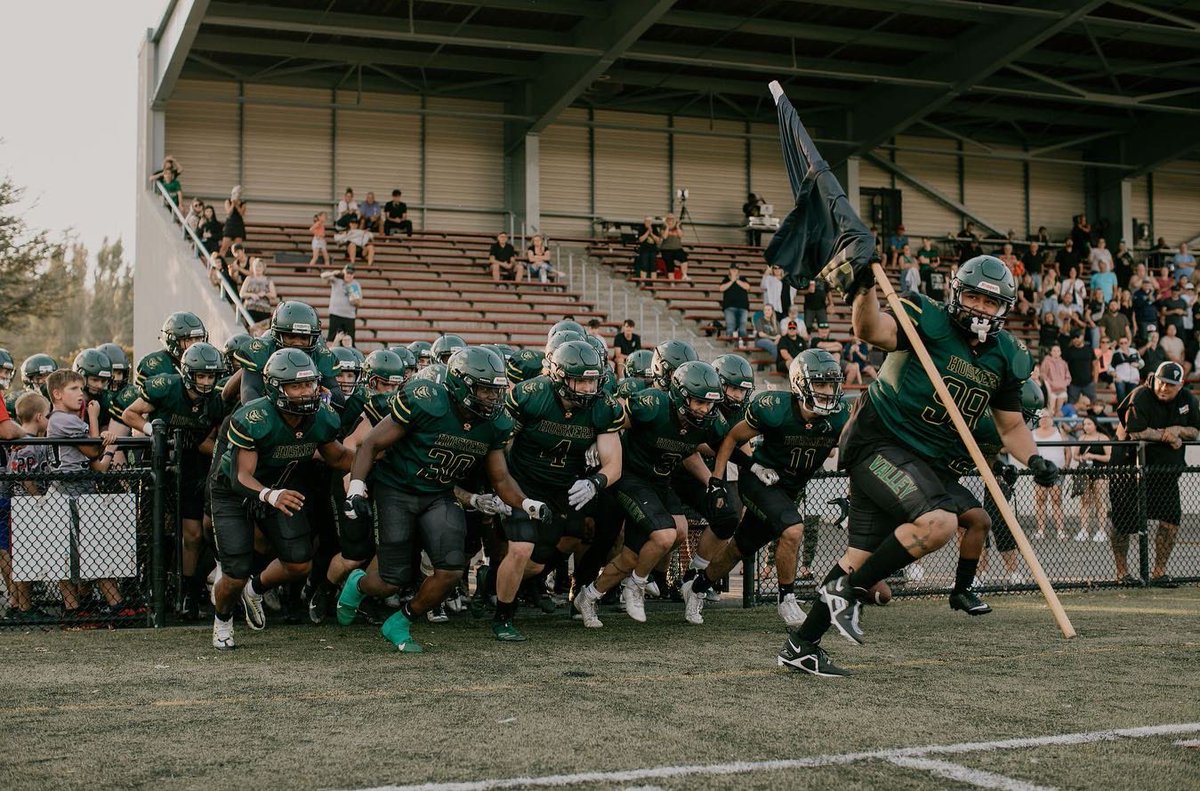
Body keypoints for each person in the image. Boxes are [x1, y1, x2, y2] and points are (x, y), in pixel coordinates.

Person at [780, 255, 1057, 677]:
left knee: (859, 556)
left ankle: (802, 645)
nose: (981, 309)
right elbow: (870, 330)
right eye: (974, 297)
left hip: (926, 462)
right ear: (957, 293)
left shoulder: (1007, 354)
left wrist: (1034, 458)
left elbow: (1012, 425)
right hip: (880, 441)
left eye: (991, 302)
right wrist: (863, 290)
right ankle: (847, 593)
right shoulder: (926, 316)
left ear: (1005, 308)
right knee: (938, 523)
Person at [337, 348, 548, 652]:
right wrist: (356, 488)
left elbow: (501, 478)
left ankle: (401, 620)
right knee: (389, 581)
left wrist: (526, 504)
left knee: (450, 571)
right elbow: (370, 443)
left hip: (439, 494)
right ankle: (358, 583)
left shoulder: (495, 423)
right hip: (397, 489)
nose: (492, 397)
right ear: (461, 385)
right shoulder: (426, 400)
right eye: (485, 390)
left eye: (496, 390)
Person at [688, 350, 847, 627]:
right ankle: (786, 599)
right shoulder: (775, 407)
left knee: (739, 548)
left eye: (831, 385)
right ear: (799, 383)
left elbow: (851, 449)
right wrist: (716, 480)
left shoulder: (839, 416)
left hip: (789, 490)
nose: (826, 392)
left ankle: (697, 587)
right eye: (820, 384)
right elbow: (732, 438)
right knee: (793, 529)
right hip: (760, 481)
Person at [208, 349, 355, 649]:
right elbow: (241, 476)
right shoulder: (253, 417)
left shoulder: (322, 416)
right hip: (234, 493)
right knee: (235, 574)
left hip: (278, 488)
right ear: (276, 387)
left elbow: (338, 457)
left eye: (309, 384)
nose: (306, 392)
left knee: (299, 563)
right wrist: (270, 495)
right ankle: (223, 619)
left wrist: (376, 460)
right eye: (296, 386)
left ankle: (255, 589)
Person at [573, 362, 727, 628]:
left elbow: (713, 446)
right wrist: (598, 444)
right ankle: (636, 584)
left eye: (709, 403)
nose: (705, 409)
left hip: (660, 482)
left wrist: (714, 481)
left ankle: (588, 596)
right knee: (664, 534)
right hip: (631, 477)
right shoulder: (653, 405)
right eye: (699, 402)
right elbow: (613, 418)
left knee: (637, 554)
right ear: (681, 396)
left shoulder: (707, 423)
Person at [493, 341, 624, 641]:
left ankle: (496, 582)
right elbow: (500, 445)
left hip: (563, 487)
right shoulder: (531, 395)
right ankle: (503, 616)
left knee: (536, 562)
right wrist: (500, 486)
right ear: (559, 376)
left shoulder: (603, 406)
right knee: (521, 548)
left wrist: (595, 482)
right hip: (523, 483)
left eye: (593, 381)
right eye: (581, 381)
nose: (589, 388)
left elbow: (614, 464)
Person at [121, 342, 226, 619]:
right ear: (188, 373)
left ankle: (188, 593)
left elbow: (210, 440)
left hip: (194, 466)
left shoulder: (217, 399)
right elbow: (129, 413)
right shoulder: (166, 386)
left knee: (193, 534)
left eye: (210, 376)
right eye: (201, 375)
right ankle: (150, 588)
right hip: (160, 463)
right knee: (154, 531)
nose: (206, 382)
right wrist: (154, 432)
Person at [1121, 361, 1200, 587]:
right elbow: (1135, 431)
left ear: (1181, 384)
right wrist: (1166, 436)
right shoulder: (1141, 395)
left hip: (1166, 473)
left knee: (1170, 521)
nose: (1164, 388)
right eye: (1161, 382)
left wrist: (1178, 430)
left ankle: (1159, 572)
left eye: (1171, 385)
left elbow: (1195, 431)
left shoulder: (1188, 399)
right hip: (1131, 471)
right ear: (1154, 378)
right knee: (1122, 522)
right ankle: (1122, 573)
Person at [3, 392, 51, 620]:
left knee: (26, 556)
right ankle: (24, 607)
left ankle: (23, 604)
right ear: (39, 417)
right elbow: (26, 477)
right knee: (25, 557)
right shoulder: (27, 444)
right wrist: (39, 500)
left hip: (24, 506)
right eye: (48, 416)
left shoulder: (26, 441)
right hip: (26, 507)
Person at [1030, 410, 1070, 540]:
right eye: (1041, 418)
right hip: (1040, 472)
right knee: (1040, 501)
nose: (1044, 420)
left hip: (1057, 472)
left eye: (1046, 417)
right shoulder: (1033, 434)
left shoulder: (1059, 432)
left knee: (1056, 501)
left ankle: (1060, 531)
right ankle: (1040, 530)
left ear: (1051, 418)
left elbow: (1067, 451)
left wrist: (1066, 465)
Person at [1073, 417, 1111, 543]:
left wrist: (1093, 456)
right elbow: (1075, 455)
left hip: (1100, 471)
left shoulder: (1103, 438)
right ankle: (1084, 530)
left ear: (1095, 425)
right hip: (1085, 471)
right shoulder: (1081, 438)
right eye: (1084, 424)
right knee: (1085, 501)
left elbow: (1109, 457)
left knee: (1100, 501)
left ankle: (1101, 531)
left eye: (1089, 424)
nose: (1086, 426)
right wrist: (1081, 458)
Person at [321, 265, 362, 343]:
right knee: (331, 339)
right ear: (344, 272)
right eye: (347, 273)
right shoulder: (337, 280)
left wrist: (354, 300)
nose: (349, 275)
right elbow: (323, 276)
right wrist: (333, 273)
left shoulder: (355, 284)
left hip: (349, 316)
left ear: (354, 275)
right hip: (336, 314)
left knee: (349, 341)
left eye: (351, 273)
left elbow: (359, 303)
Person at [1062, 331, 1098, 404]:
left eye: (1077, 337)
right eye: (1073, 338)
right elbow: (1063, 367)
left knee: (1093, 404)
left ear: (1082, 337)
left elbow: (1095, 365)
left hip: (1088, 383)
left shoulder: (1089, 349)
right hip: (1073, 384)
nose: (1075, 339)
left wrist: (1095, 380)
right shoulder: (1068, 351)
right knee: (1071, 405)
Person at [239, 258, 279, 324]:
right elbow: (241, 294)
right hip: (250, 308)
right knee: (252, 326)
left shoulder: (268, 280)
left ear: (263, 268)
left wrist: (265, 294)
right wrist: (251, 295)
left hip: (264, 309)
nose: (258, 268)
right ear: (253, 268)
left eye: (260, 266)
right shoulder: (249, 278)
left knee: (261, 327)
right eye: (256, 266)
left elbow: (274, 295)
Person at [719, 264, 751, 344]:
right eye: (732, 269)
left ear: (738, 271)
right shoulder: (726, 279)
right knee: (730, 325)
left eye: (736, 269)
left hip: (743, 306)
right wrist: (731, 281)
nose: (734, 271)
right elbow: (721, 288)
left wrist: (736, 280)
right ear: (729, 270)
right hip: (729, 307)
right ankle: (730, 344)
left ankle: (743, 344)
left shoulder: (743, 278)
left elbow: (747, 287)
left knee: (743, 326)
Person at [219, 186, 246, 257]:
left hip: (238, 224)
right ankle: (220, 260)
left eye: (239, 193)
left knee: (238, 247)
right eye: (235, 193)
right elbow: (229, 212)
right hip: (230, 224)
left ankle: (238, 261)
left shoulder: (243, 203)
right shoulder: (227, 201)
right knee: (224, 247)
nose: (237, 194)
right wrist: (233, 203)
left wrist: (237, 205)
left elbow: (241, 213)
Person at [659, 214, 688, 280]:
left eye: (672, 218)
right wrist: (667, 227)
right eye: (669, 218)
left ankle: (684, 275)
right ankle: (672, 281)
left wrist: (677, 227)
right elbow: (664, 236)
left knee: (684, 259)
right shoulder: (663, 226)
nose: (670, 220)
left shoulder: (678, 226)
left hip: (677, 248)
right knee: (670, 265)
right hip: (666, 249)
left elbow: (680, 235)